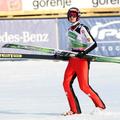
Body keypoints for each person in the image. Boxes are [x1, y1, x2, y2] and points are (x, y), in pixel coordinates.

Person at [63, 7, 106, 116]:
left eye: (74, 15)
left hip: (82, 60)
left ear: (78, 16)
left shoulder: (82, 28)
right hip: (73, 60)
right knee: (66, 84)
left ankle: (100, 106)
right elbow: (70, 46)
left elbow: (93, 43)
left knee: (83, 86)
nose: (72, 17)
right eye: (70, 15)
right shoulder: (69, 30)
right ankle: (74, 110)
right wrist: (65, 54)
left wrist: (84, 53)